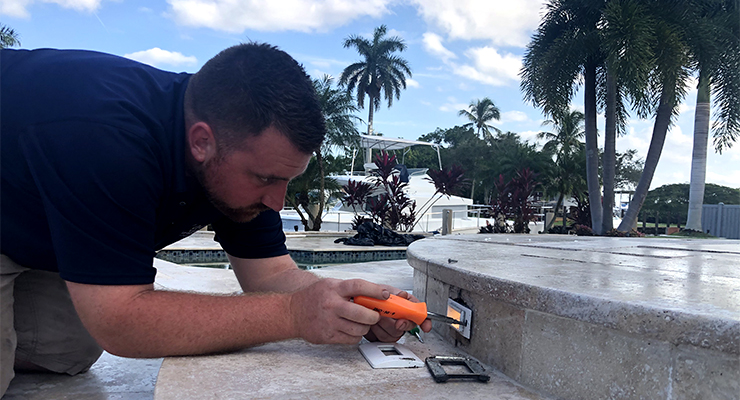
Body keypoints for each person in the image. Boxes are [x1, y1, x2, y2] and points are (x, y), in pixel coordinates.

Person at [0, 43, 432, 395]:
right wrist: (294, 316)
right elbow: (121, 323)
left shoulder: (238, 143)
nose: (277, 202)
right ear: (201, 141)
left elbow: (272, 274)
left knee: (67, 352)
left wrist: (353, 302)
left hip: (32, 213)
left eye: (287, 181)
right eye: (265, 178)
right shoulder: (108, 141)